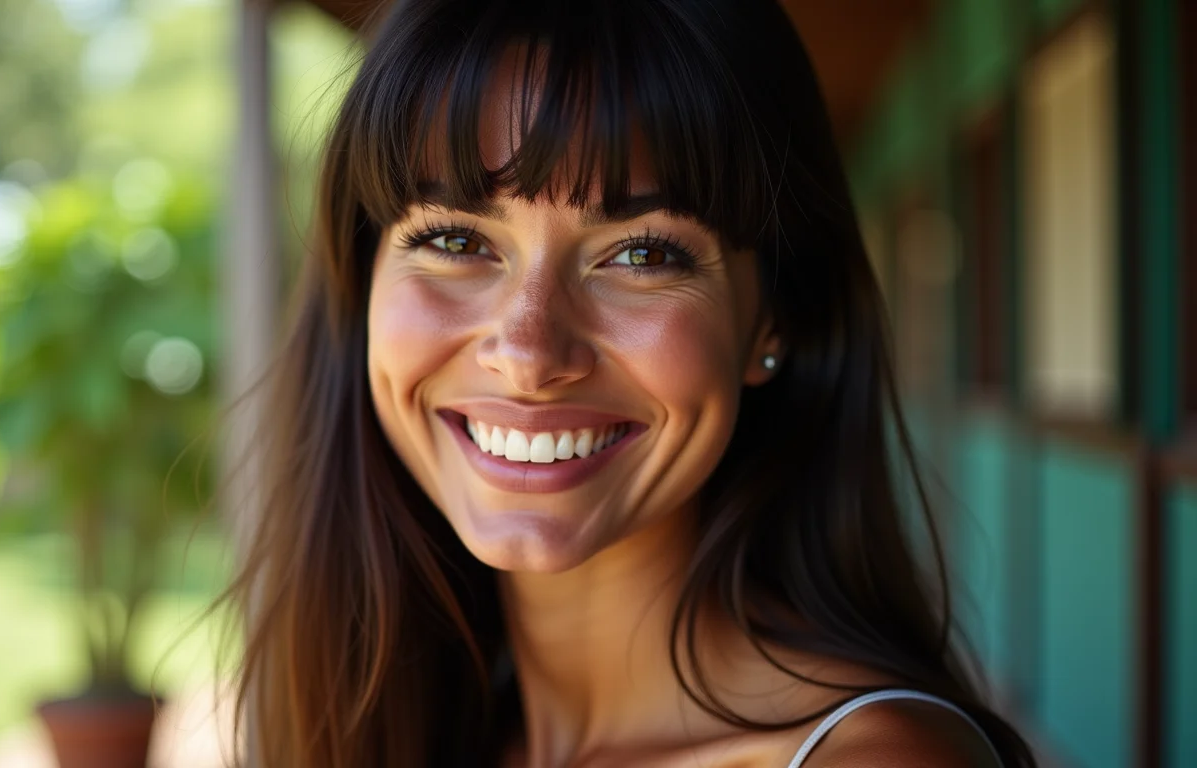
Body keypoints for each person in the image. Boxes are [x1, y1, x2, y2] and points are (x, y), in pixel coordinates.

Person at [223, 0, 1037, 765]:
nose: (530, 351)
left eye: (643, 254)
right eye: (455, 241)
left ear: (773, 318)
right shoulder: (395, 726)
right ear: (362, 278)